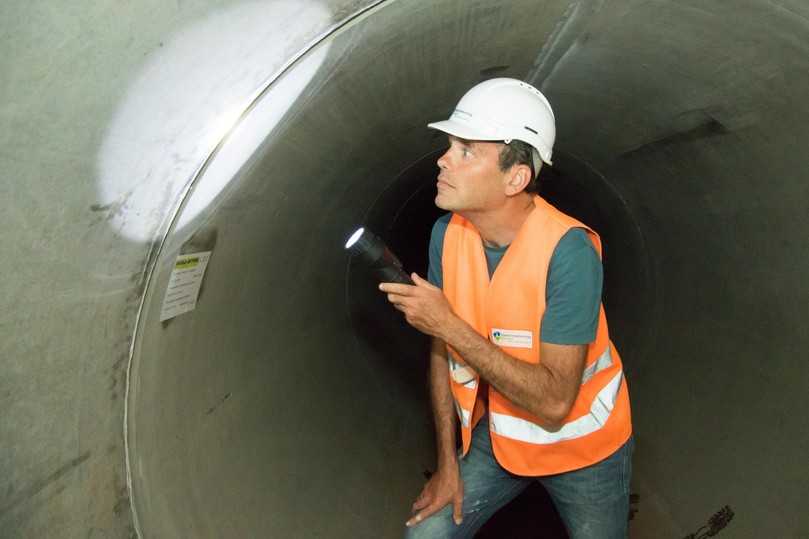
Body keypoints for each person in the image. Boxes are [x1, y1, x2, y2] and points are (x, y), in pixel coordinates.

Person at [379, 78, 633, 539]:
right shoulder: (447, 234)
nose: (442, 158)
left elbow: (556, 404)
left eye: (466, 150)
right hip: (500, 438)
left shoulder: (569, 253)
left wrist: (447, 325)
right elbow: (442, 353)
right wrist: (447, 463)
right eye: (449, 145)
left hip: (585, 447)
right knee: (425, 534)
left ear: (515, 178)